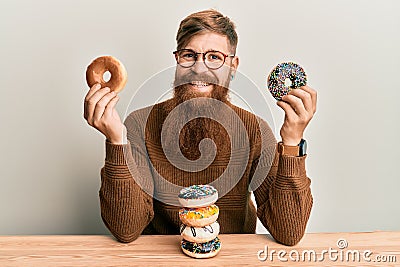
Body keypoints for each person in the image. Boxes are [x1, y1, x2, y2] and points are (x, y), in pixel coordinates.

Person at [83, 9, 317, 246]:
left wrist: (292, 142)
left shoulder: (254, 130)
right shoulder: (139, 125)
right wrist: (117, 141)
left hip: (233, 259)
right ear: (177, 60)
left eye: (214, 57)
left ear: (233, 66)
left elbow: (289, 231)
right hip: (162, 259)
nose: (199, 68)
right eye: (189, 55)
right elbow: (125, 229)